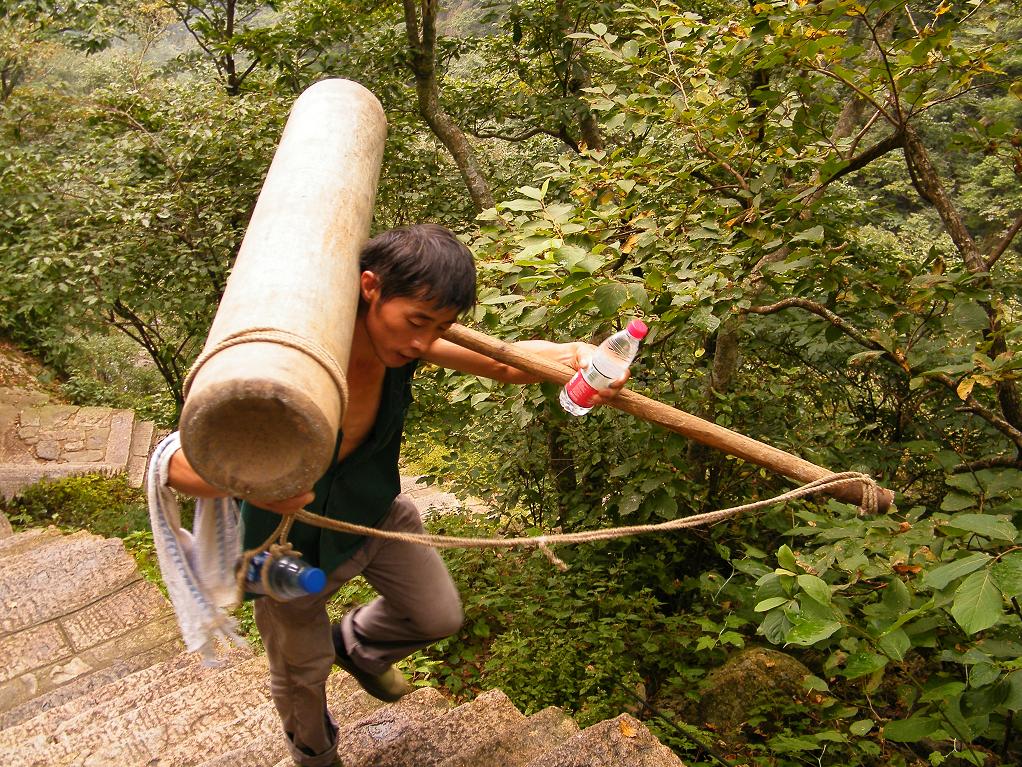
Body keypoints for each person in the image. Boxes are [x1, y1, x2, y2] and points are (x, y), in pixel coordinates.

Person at [166, 223, 628, 767]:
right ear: (370, 287)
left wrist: (576, 355)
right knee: (302, 673)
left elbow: (506, 362)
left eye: (440, 327)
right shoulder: (299, 352)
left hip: (375, 513)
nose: (422, 341)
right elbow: (175, 466)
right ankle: (315, 755)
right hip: (282, 546)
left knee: (437, 617)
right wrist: (257, 480)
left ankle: (356, 646)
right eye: (416, 321)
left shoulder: (409, 345)